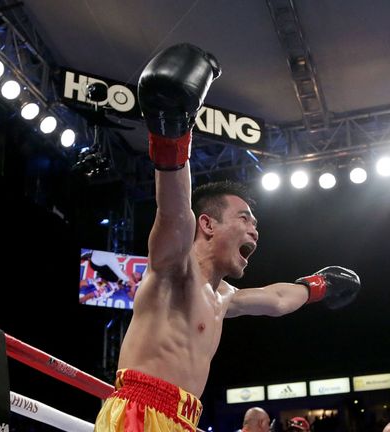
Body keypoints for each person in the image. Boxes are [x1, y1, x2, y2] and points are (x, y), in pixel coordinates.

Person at [94, 43, 361, 431]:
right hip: (140, 411)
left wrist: (318, 287)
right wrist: (171, 133)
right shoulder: (173, 270)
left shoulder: (223, 298)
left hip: (183, 419)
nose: (255, 228)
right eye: (244, 217)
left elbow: (277, 298)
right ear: (208, 225)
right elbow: (174, 211)